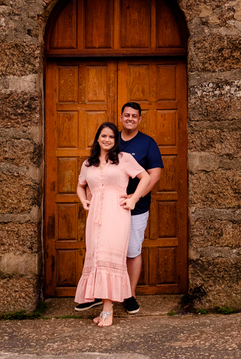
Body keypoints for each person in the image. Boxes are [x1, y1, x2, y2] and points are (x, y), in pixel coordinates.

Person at [73, 121, 149, 327]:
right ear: (98, 138)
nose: (107, 139)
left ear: (115, 141)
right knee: (96, 256)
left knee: (109, 256)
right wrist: (83, 200)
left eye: (111, 137)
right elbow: (80, 185)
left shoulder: (124, 159)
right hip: (95, 217)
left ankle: (108, 311)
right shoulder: (88, 164)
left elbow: (145, 177)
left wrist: (133, 199)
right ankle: (104, 309)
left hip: (116, 214)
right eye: (104, 136)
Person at [114, 101, 162, 314]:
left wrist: (135, 196)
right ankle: (107, 292)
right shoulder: (110, 139)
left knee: (133, 250)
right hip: (111, 207)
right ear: (121, 117)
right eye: (127, 115)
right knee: (110, 250)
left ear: (140, 119)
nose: (130, 118)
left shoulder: (147, 143)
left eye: (134, 116)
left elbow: (155, 174)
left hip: (137, 207)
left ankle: (130, 295)